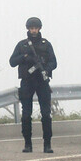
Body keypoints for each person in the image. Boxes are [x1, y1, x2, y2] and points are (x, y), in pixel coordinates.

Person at [9, 16, 57, 153]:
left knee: (46, 114)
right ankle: (27, 144)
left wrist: (46, 70)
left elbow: (54, 62)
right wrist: (25, 56)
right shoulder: (22, 45)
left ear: (39, 28)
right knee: (26, 115)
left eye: (36, 28)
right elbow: (12, 62)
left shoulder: (45, 44)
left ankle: (47, 144)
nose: (34, 30)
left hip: (42, 82)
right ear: (28, 29)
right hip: (27, 82)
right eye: (31, 28)